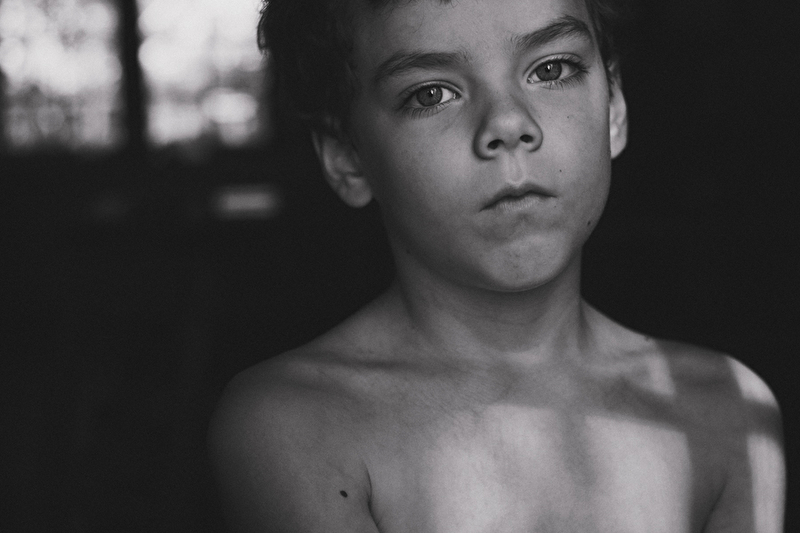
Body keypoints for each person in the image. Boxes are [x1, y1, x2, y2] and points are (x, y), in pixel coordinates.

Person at [208, 0, 786, 530]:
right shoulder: (298, 424)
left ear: (613, 106)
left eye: (552, 69)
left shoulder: (726, 412)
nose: (507, 124)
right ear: (348, 157)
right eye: (431, 94)